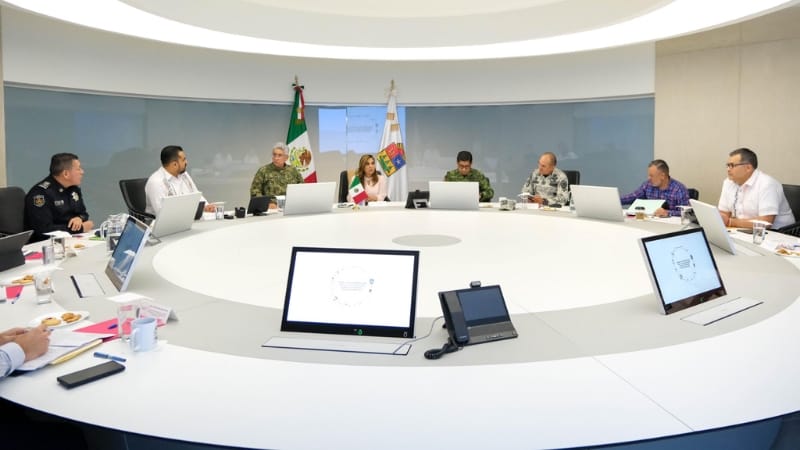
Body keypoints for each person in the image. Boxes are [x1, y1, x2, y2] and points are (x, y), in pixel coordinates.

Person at [718, 147, 795, 229]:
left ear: (748, 168)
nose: (728, 169)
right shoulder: (728, 182)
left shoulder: (767, 184)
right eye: (728, 165)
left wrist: (731, 222)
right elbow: (724, 214)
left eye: (732, 166)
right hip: (745, 230)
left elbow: (766, 223)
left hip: (779, 233)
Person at [24, 153, 95, 242]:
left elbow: (83, 214)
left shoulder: (73, 188)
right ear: (66, 174)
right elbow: (44, 230)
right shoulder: (40, 194)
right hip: (46, 244)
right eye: (78, 169)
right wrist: (80, 229)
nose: (82, 172)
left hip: (71, 240)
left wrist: (79, 218)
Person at [145, 145, 216, 216]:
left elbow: (195, 193)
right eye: (183, 160)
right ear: (174, 164)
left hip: (188, 217)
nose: (186, 162)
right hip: (163, 221)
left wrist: (206, 206)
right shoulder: (156, 182)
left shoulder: (184, 174)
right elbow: (162, 214)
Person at [620, 159, 690, 218]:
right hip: (651, 222)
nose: (649, 178)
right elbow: (633, 197)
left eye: (651, 176)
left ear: (662, 176)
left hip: (672, 226)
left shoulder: (679, 189)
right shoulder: (647, 185)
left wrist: (668, 212)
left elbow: (687, 213)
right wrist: (616, 200)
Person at [250, 142, 304, 207]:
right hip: (271, 208)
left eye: (279, 155)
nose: (276, 158)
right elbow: (255, 191)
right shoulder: (263, 170)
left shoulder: (293, 171)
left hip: (291, 205)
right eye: (274, 155)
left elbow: (302, 188)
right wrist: (266, 204)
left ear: (286, 158)